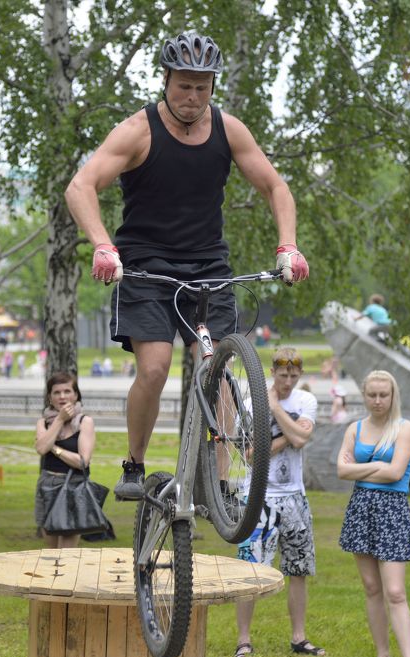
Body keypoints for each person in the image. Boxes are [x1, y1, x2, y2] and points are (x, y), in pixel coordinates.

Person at [65, 31, 309, 499]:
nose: (193, 97)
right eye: (184, 86)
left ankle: (219, 486)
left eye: (202, 86)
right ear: (165, 80)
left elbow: (276, 187)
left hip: (208, 269)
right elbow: (81, 186)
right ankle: (134, 464)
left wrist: (288, 246)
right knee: (154, 368)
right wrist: (102, 245)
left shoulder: (228, 129)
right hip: (144, 268)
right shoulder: (138, 130)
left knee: (216, 366)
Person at [234, 348, 323, 657]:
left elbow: (300, 440)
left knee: (298, 568)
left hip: (295, 496)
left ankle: (299, 637)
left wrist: (276, 411)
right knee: (252, 569)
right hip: (258, 497)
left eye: (293, 375)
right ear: (272, 371)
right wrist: (293, 431)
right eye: (283, 375)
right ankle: (243, 640)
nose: (288, 381)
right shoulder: (249, 404)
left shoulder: (305, 401)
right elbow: (249, 454)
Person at [337, 371, 410, 657]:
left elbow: (396, 473)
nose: (378, 400)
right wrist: (378, 466)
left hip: (392, 510)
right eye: (372, 395)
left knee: (395, 592)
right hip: (361, 508)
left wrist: (360, 468)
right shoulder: (354, 429)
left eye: (383, 395)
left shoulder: (404, 428)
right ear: (364, 395)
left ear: (393, 395)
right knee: (372, 588)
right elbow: (341, 471)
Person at [33, 372, 97, 549]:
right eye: (56, 392)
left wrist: (54, 447)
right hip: (47, 484)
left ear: (75, 395)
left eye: (67, 391)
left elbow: (82, 462)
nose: (62, 396)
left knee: (66, 553)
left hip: (74, 486)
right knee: (52, 551)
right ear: (49, 397)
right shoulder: (43, 422)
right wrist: (60, 419)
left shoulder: (85, 422)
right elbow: (40, 449)